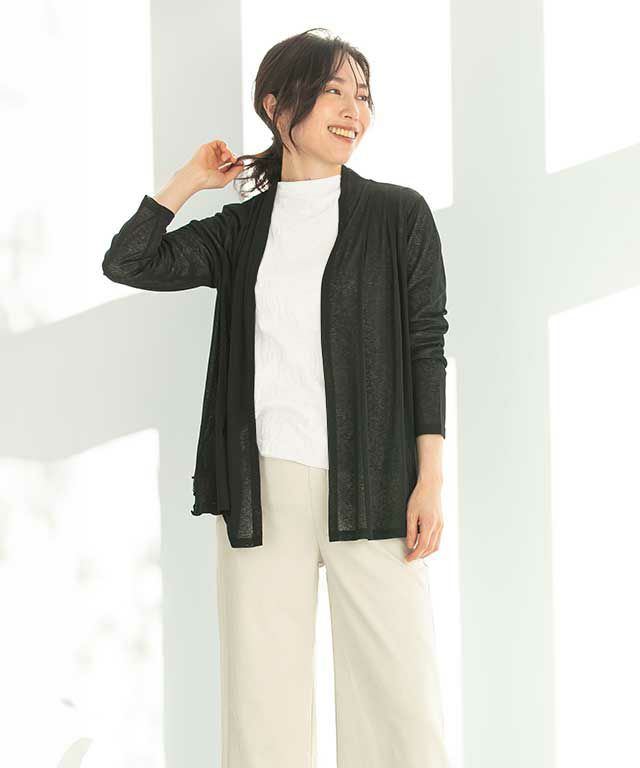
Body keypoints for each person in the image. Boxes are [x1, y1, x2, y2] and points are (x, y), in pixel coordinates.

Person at [103, 26, 450, 768]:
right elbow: (130, 261)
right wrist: (189, 181)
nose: (354, 111)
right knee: (263, 707)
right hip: (261, 485)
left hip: (376, 482)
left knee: (401, 706)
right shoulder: (241, 229)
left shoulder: (400, 215)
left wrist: (430, 478)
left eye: (363, 95)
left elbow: (427, 344)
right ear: (276, 104)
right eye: (333, 91)